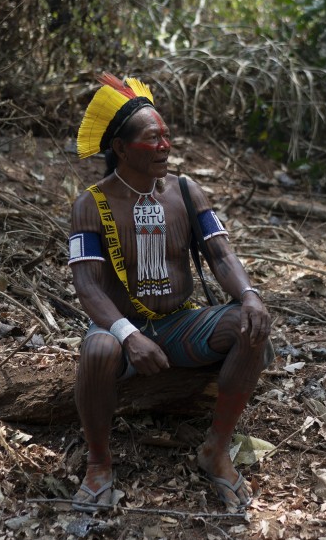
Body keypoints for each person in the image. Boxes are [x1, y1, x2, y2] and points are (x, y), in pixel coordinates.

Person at [67, 74, 272, 512]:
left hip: (180, 325)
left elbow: (220, 254)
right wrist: (127, 334)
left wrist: (250, 294)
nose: (164, 146)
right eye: (152, 138)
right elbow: (86, 284)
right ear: (121, 148)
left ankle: (215, 449)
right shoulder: (91, 204)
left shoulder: (184, 190)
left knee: (248, 326)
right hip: (122, 330)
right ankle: (99, 463)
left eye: (166, 136)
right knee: (98, 350)